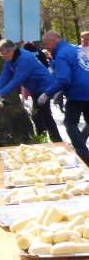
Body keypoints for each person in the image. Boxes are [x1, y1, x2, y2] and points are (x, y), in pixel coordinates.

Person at [0, 39, 62, 143]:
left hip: (44, 87)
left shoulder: (25, 58)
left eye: (4, 54)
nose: (3, 57)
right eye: (1, 55)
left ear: (11, 50)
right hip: (34, 88)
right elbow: (4, 78)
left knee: (37, 116)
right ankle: (57, 141)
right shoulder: (9, 60)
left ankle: (42, 142)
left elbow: (17, 80)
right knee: (46, 115)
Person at [40, 30, 89, 165]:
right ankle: (82, 145)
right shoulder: (74, 48)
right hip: (87, 87)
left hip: (77, 90)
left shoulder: (62, 54)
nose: (45, 47)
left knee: (69, 123)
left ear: (54, 40)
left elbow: (63, 79)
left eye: (46, 43)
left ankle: (83, 153)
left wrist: (47, 94)